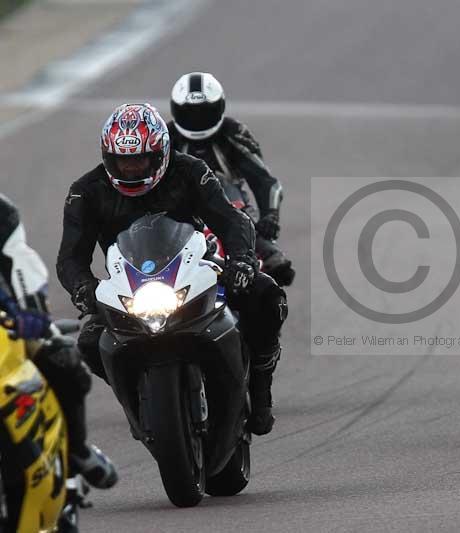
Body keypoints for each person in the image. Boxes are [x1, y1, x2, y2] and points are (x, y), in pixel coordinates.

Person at [56, 103, 287, 436]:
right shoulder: (86, 191)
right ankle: (138, 403)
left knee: (266, 296)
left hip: (195, 267)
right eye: (123, 160)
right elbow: (70, 257)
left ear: (161, 153)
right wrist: (83, 288)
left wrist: (242, 261)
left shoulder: (190, 170)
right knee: (90, 343)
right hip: (129, 284)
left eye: (140, 159)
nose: (132, 168)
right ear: (108, 157)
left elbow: (232, 220)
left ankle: (261, 392)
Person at [0, 194, 117, 488]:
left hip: (6, 317)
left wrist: (31, 308)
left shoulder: (2, 212)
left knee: (61, 358)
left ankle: (75, 450)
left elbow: (20, 261)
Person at [168, 72, 295, 287]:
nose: (197, 120)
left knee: (277, 266)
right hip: (176, 209)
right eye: (190, 113)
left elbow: (265, 181)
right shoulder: (165, 136)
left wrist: (270, 217)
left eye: (204, 113)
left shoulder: (233, 132)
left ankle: (262, 254)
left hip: (232, 205)